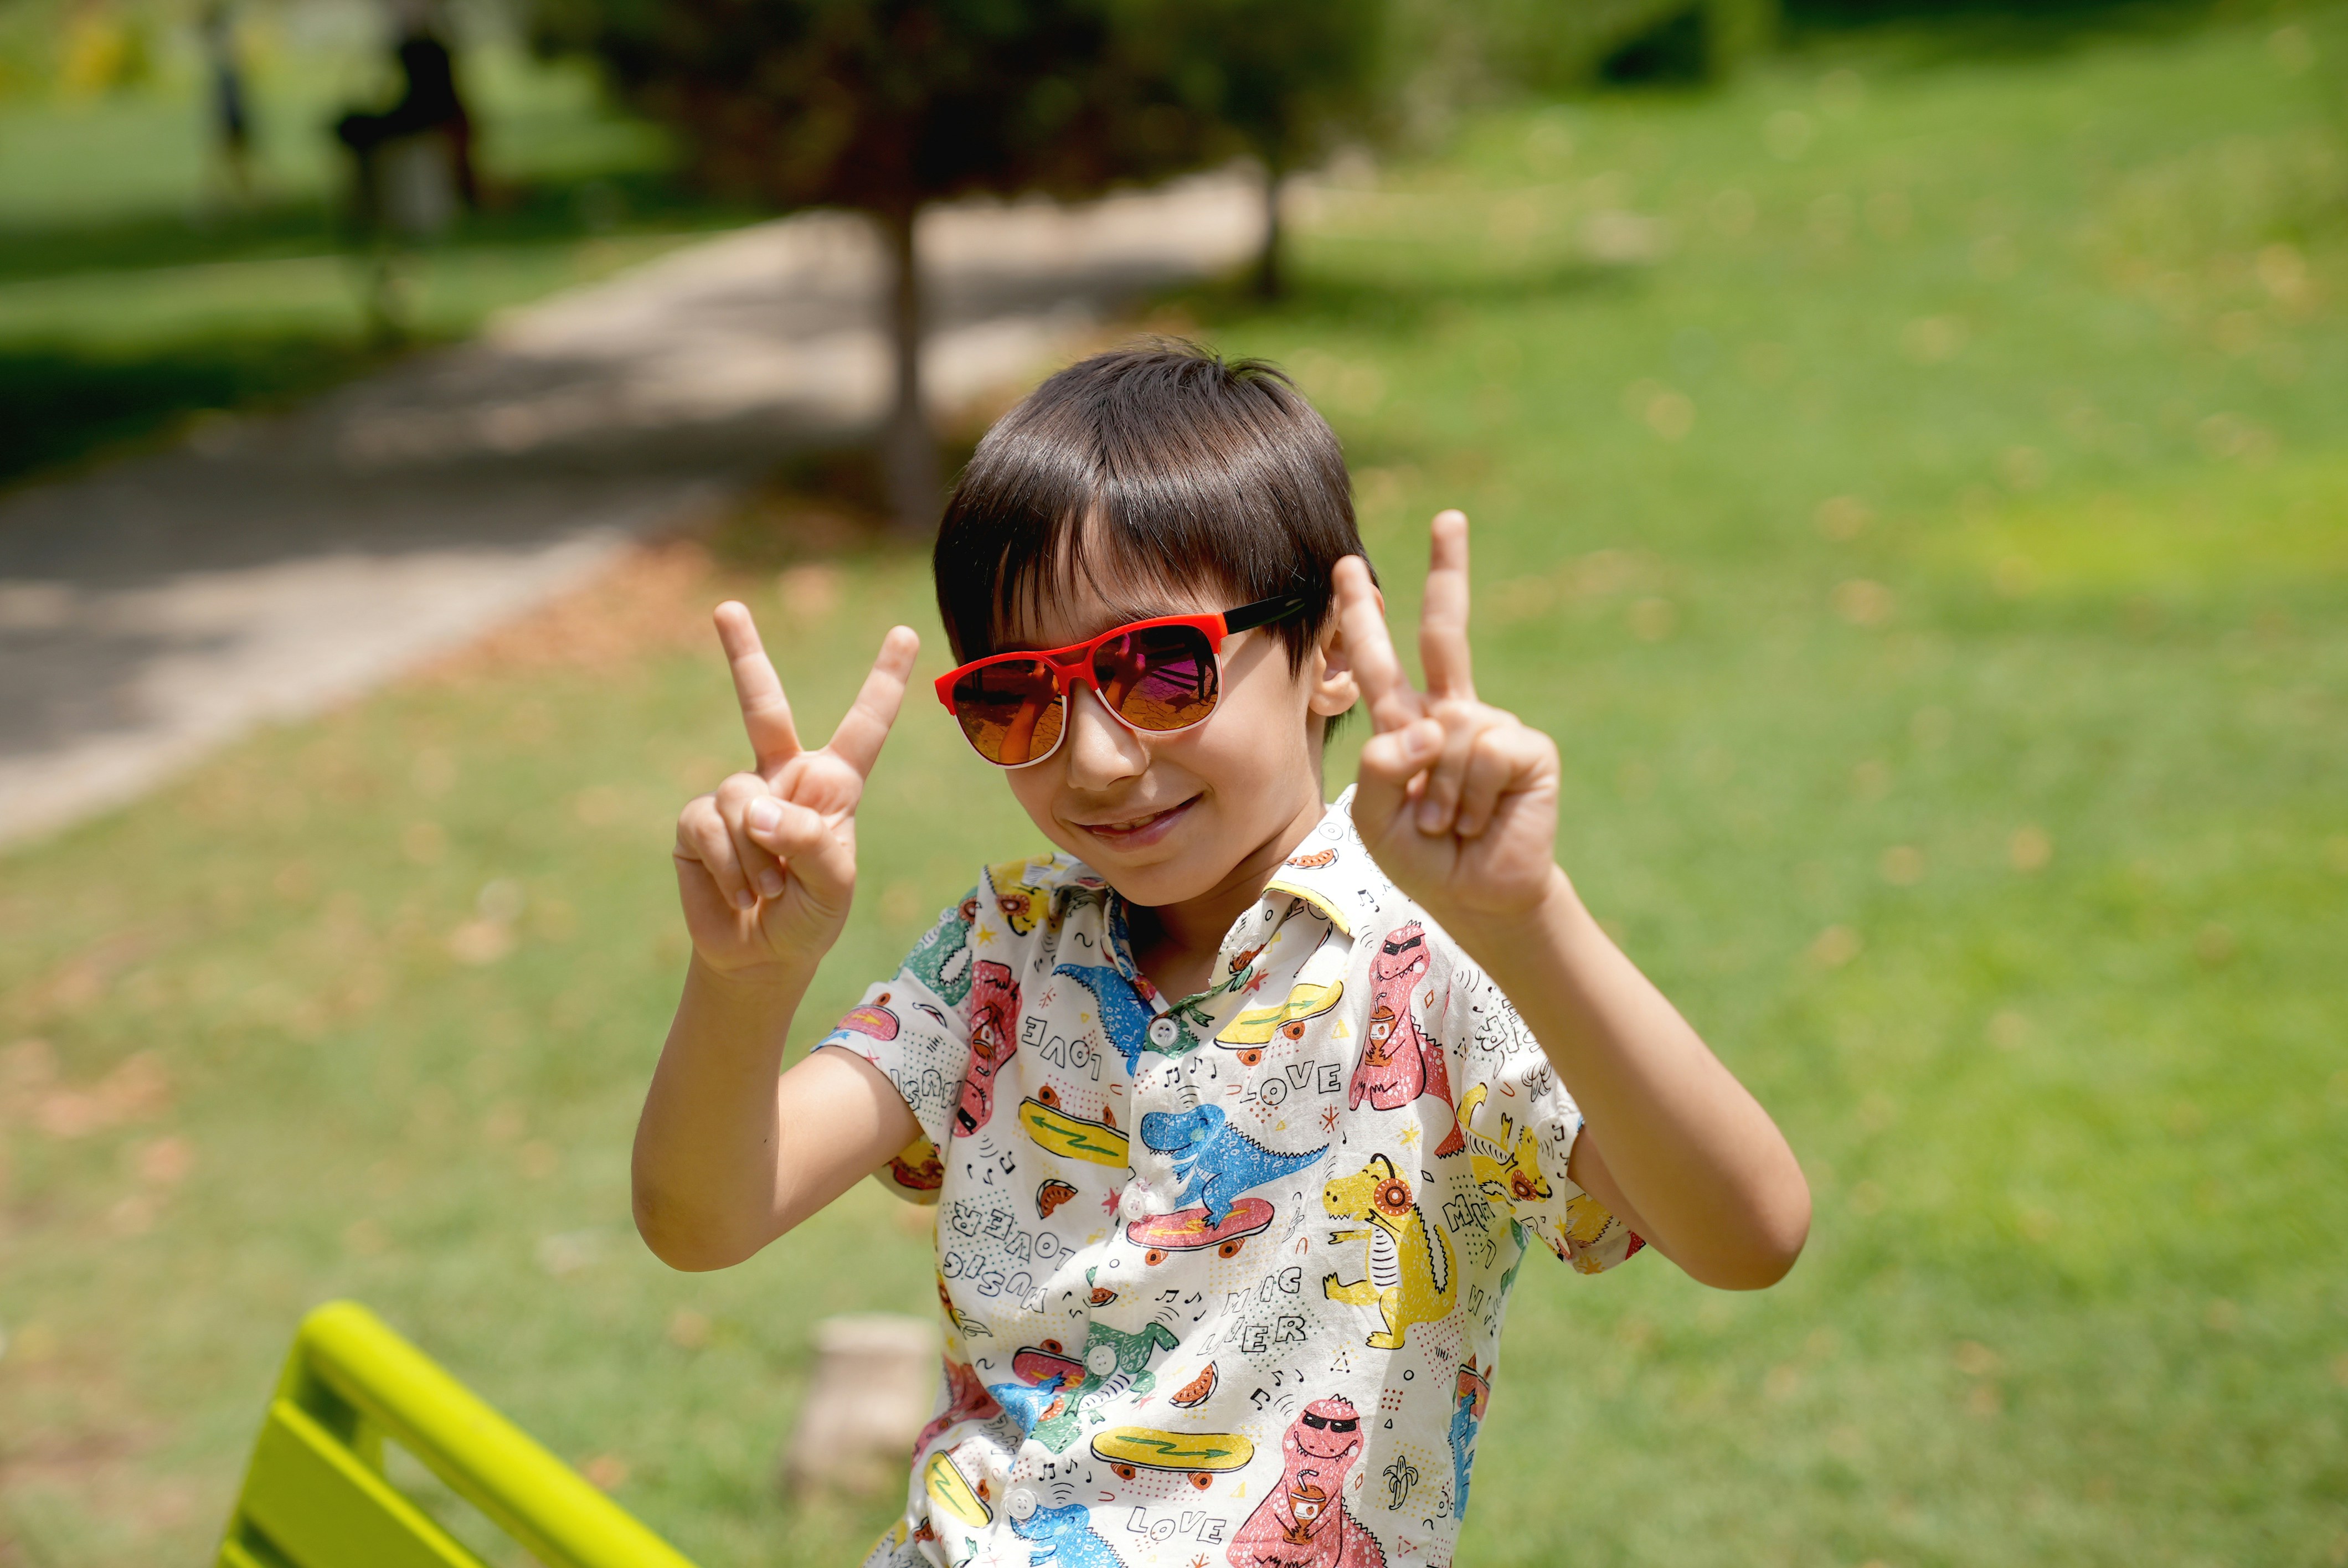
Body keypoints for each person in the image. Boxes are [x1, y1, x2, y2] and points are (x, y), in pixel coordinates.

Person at [634, 343, 1810, 1567]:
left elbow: (1749, 1234)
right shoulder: (998, 954)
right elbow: (702, 1220)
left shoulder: (1433, 962)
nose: (1096, 760)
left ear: (1332, 650)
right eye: (1018, 698)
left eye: (1157, 668)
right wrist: (745, 980)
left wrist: (1526, 922)